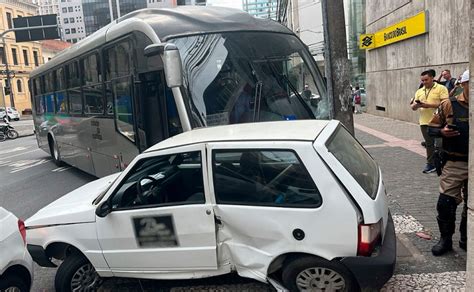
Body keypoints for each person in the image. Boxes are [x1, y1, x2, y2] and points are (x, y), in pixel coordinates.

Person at [428, 69, 469, 256]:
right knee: (445, 202)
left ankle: (466, 238)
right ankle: (445, 240)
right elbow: (431, 128)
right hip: (455, 161)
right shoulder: (448, 105)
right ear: (463, 85)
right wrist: (442, 132)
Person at [410, 70, 449, 173]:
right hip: (424, 121)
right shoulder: (419, 91)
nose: (424, 82)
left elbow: (446, 104)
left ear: (432, 78)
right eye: (422, 80)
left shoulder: (441, 88)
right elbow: (413, 107)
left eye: (426, 80)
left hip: (439, 121)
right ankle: (431, 164)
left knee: (440, 144)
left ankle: (442, 163)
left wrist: (429, 105)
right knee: (429, 144)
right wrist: (416, 105)